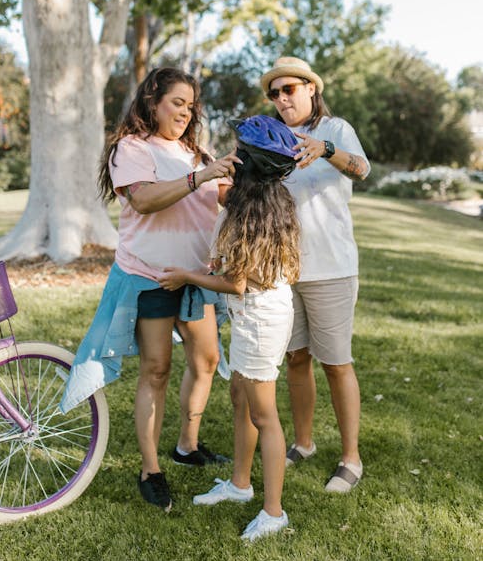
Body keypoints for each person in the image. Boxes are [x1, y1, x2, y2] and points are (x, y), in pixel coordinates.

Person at [60, 66, 240, 512]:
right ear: (152, 102)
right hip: (151, 275)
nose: (185, 111)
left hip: (196, 276)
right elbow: (143, 199)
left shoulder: (196, 151)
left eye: (190, 105)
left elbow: (222, 197)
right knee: (156, 370)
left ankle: (187, 445)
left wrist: (248, 179)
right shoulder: (133, 148)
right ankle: (150, 469)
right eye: (177, 102)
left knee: (207, 360)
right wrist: (201, 176)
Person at [158, 114, 300, 541]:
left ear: (249, 163)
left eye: (238, 151)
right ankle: (240, 484)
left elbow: (235, 282)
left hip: (259, 318)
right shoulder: (258, 201)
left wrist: (186, 275)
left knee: (264, 415)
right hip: (252, 313)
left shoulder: (250, 212)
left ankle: (273, 513)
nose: (231, 155)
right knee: (241, 399)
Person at [260, 56, 370, 493]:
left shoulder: (335, 129)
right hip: (285, 269)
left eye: (289, 89)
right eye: (275, 93)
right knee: (296, 358)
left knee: (336, 364)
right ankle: (303, 443)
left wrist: (324, 149)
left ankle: (351, 459)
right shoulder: (272, 139)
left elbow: (362, 170)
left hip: (332, 268)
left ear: (310, 89)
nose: (282, 98)